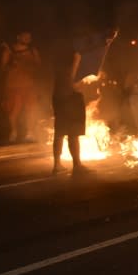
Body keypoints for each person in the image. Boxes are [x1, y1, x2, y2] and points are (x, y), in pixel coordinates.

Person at [51, 41, 88, 175]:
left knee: (59, 132)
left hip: (58, 97)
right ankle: (77, 165)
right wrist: (77, 62)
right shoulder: (73, 62)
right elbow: (73, 83)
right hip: (71, 99)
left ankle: (56, 165)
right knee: (73, 133)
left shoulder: (58, 62)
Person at [1, 31, 41, 142]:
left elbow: (38, 66)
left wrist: (28, 66)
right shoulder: (9, 50)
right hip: (13, 86)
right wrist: (12, 65)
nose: (28, 38)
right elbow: (3, 67)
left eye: (29, 37)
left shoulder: (33, 51)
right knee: (14, 110)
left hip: (29, 85)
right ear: (18, 37)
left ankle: (30, 132)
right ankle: (13, 132)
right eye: (25, 36)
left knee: (31, 109)